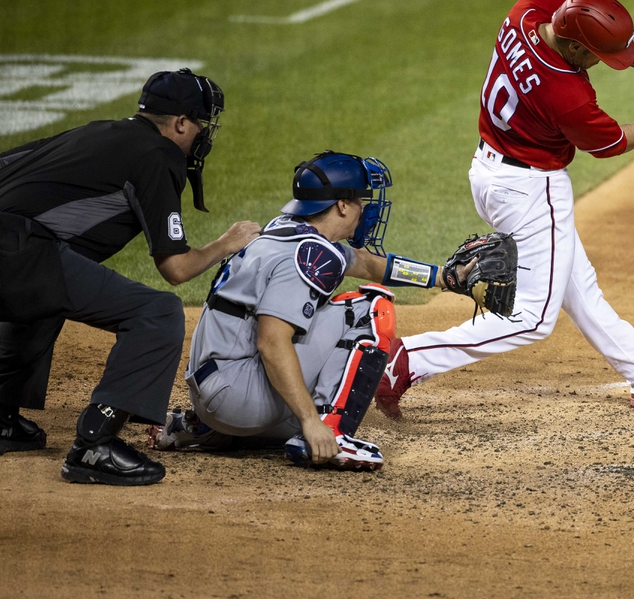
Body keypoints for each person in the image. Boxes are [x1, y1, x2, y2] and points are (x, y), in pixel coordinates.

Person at [376, 0, 634, 419]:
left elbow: (604, 29)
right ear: (574, 45)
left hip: (490, 171)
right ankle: (404, 359)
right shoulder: (565, 91)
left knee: (580, 289)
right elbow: (611, 142)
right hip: (530, 190)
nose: (602, 62)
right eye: (595, 55)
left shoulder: (532, 8)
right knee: (533, 319)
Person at [0, 68, 260, 486]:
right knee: (157, 313)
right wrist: (226, 243)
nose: (202, 135)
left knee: (44, 294)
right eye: (200, 124)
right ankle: (94, 445)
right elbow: (175, 269)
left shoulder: (99, 132)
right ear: (179, 123)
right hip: (18, 253)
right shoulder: (157, 156)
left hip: (19, 251)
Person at [150, 151, 477, 470]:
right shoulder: (310, 255)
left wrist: (444, 277)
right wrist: (311, 422)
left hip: (213, 391)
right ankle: (332, 432)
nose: (366, 209)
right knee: (369, 310)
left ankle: (208, 429)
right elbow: (272, 341)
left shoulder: (289, 229)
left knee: (312, 359)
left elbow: (364, 263)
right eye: (361, 201)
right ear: (342, 205)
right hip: (236, 394)